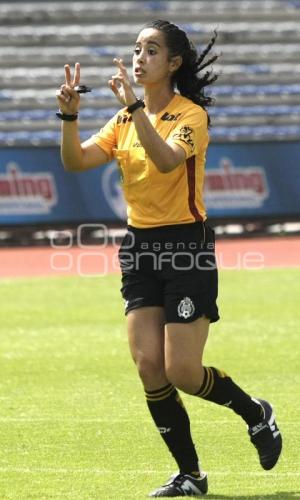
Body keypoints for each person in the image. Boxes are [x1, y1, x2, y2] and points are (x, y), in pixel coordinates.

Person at [56, 20, 282, 497]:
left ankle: (255, 412)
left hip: (186, 247)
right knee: (148, 367)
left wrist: (135, 107)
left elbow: (164, 160)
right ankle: (191, 476)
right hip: (139, 248)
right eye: (137, 49)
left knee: (182, 370)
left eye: (151, 50)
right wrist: (69, 117)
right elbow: (76, 162)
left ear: (174, 63)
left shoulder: (190, 116)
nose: (139, 58)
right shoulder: (123, 120)